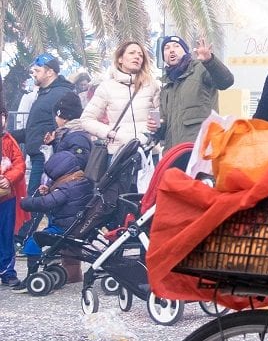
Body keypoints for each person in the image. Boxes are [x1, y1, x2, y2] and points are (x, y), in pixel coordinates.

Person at [14, 150, 93, 291]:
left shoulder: (66, 188)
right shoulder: (82, 181)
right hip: (76, 226)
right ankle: (52, 260)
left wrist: (25, 202)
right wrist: (50, 190)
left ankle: (31, 275)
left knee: (34, 240)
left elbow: (46, 203)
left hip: (64, 229)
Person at [81, 41, 161, 156]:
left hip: (149, 152)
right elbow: (86, 119)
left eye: (140, 55)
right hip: (119, 154)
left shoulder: (151, 85)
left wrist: (155, 125)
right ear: (120, 59)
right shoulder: (107, 87)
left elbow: (159, 113)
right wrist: (109, 132)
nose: (137, 57)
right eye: (132, 53)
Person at [11, 54, 74, 195]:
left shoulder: (62, 94)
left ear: (50, 72)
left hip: (47, 156)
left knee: (36, 201)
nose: (34, 74)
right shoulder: (45, 93)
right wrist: (10, 135)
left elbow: (69, 125)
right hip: (38, 155)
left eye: (38, 71)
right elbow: (37, 128)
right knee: (36, 200)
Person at [158, 35, 235, 149]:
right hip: (174, 154)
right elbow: (163, 129)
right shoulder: (166, 87)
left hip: (201, 150)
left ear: (185, 51)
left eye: (176, 46)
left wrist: (210, 60)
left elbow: (226, 81)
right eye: (166, 48)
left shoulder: (200, 69)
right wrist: (156, 127)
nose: (171, 50)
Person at [0, 112, 27, 287]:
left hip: (5, 197)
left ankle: (7, 271)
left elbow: (20, 165)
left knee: (6, 234)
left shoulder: (9, 141)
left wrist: (8, 178)